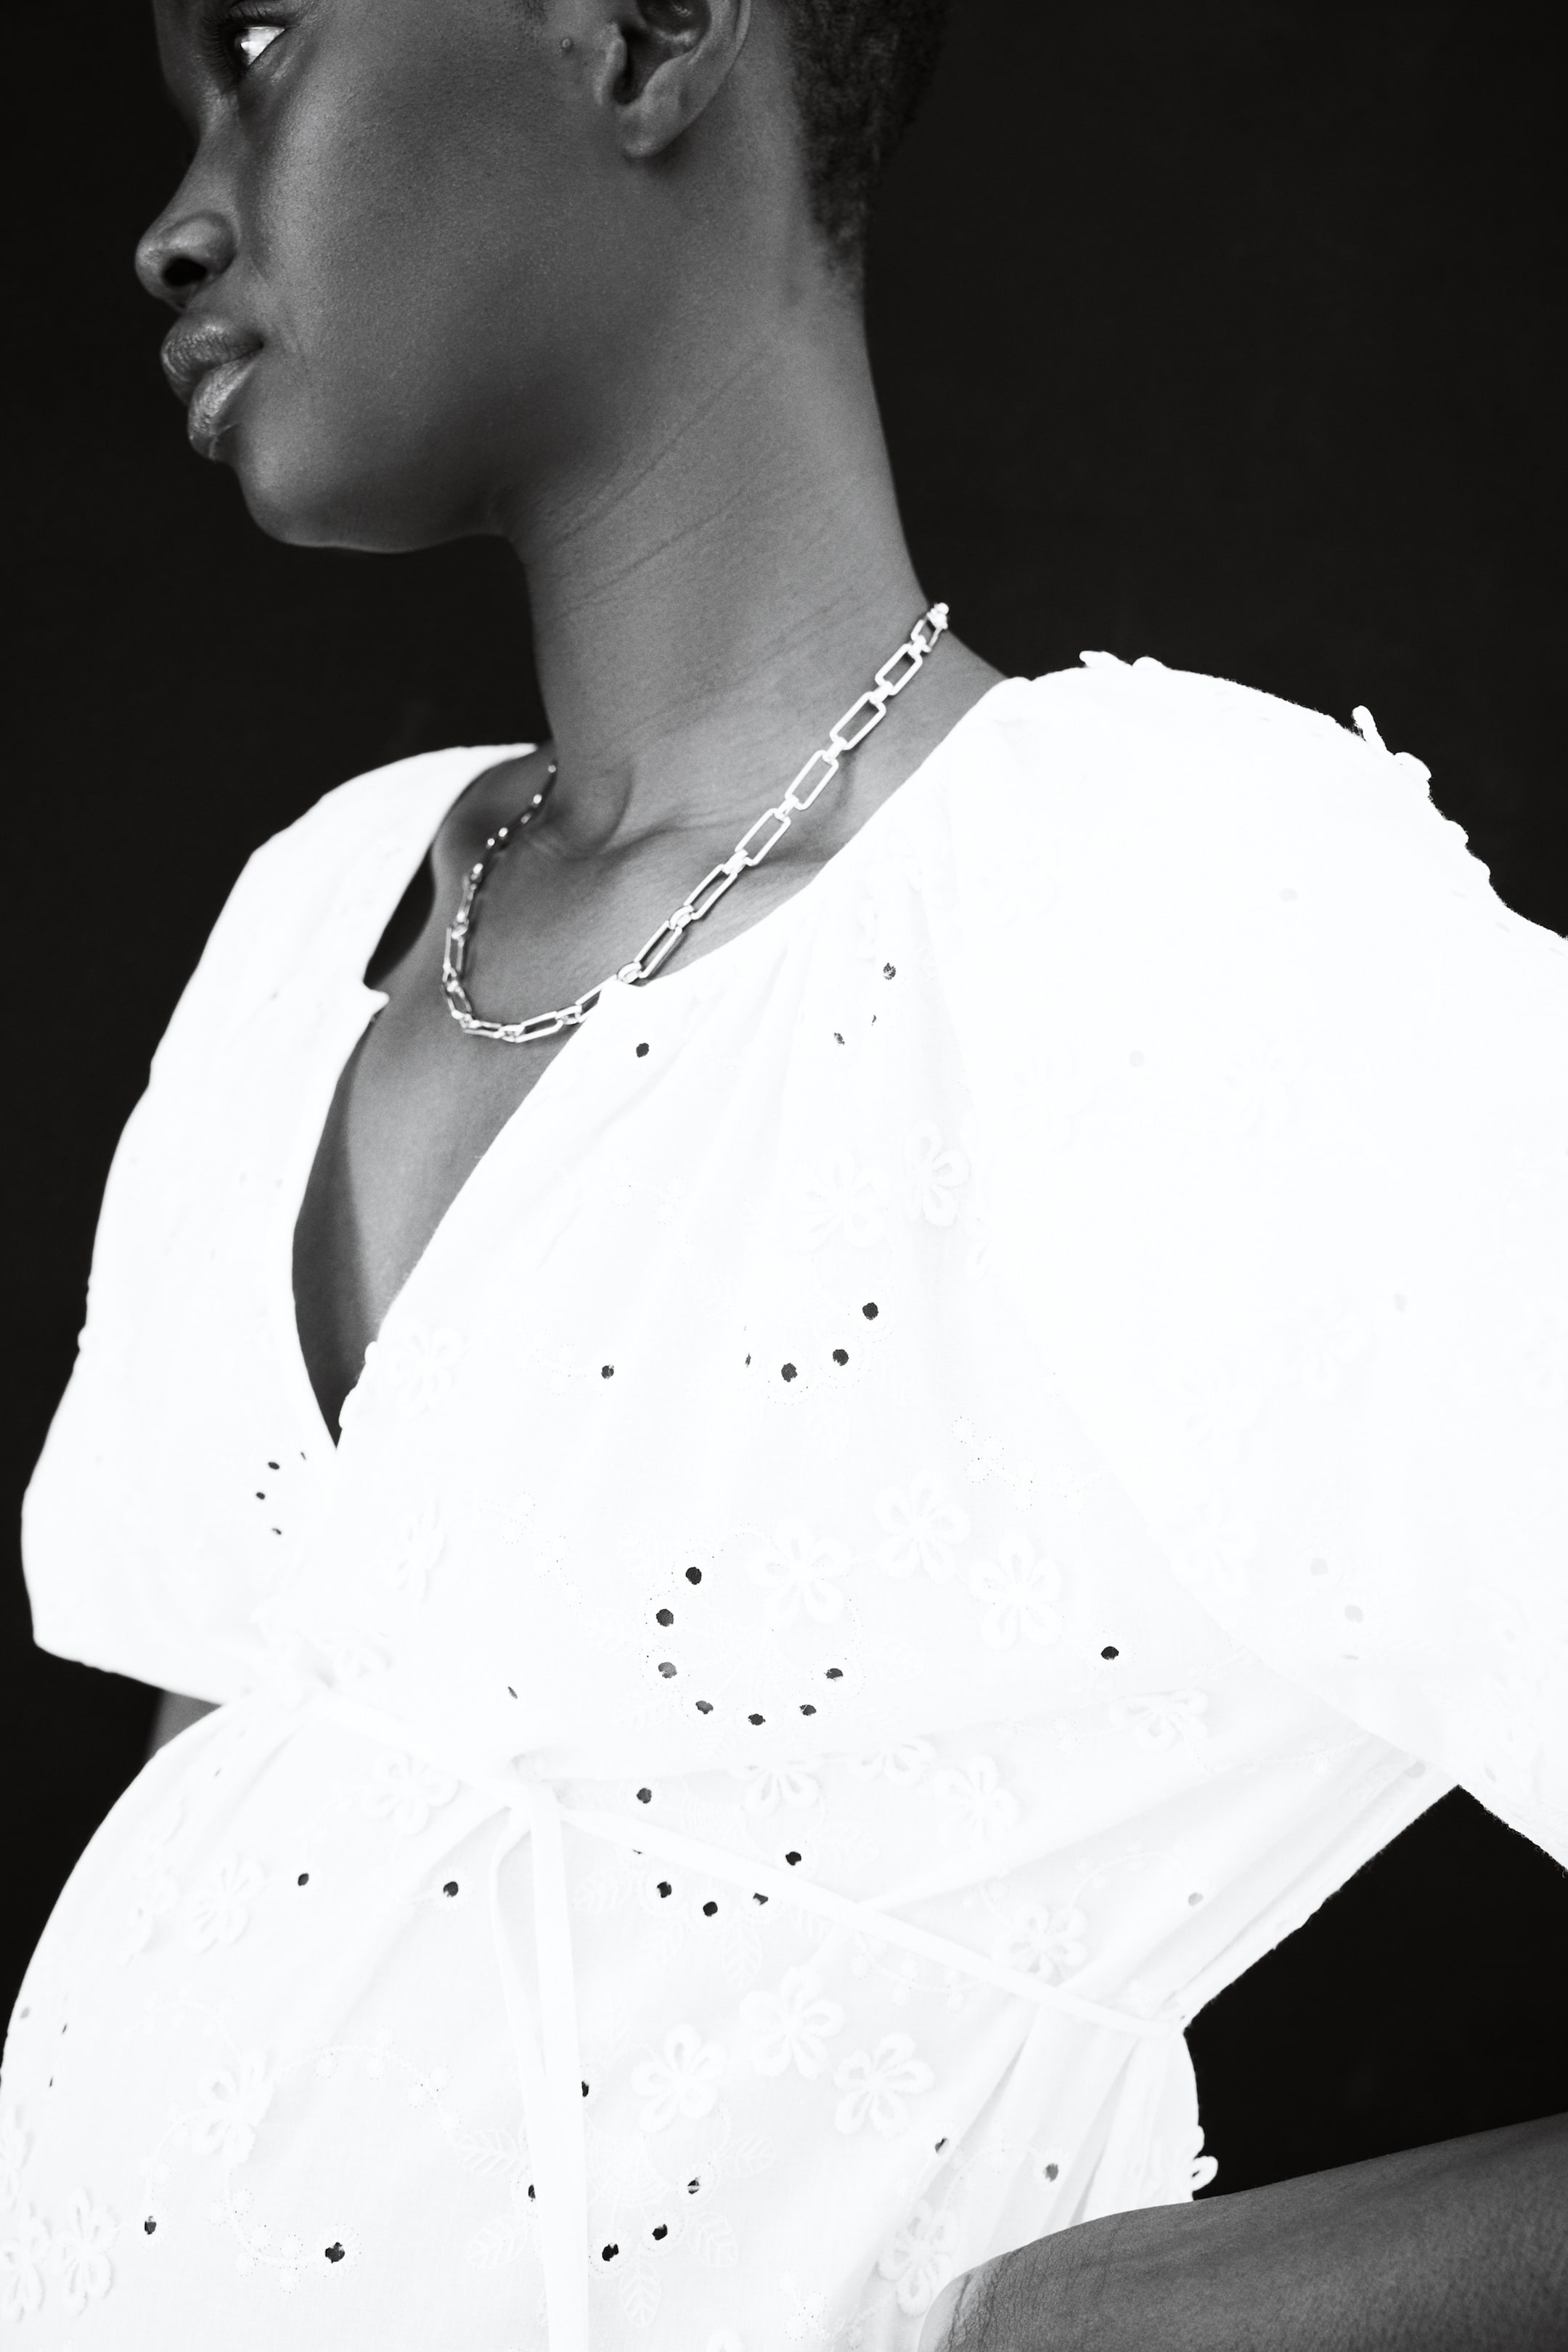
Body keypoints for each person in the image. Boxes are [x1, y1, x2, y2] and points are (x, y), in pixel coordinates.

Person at [5, 0, 1565, 2344]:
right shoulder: (318, 919)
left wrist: (1113, 2330)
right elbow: (258, 1844)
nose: (171, 222)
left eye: (261, 41)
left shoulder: (1156, 911)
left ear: (641, 34)